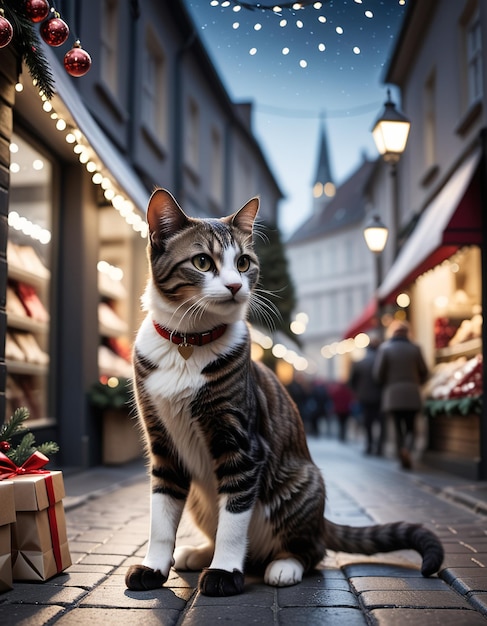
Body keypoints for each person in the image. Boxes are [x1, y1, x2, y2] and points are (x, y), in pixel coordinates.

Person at [373, 320, 428, 470]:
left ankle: (401, 453)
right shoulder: (415, 348)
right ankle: (408, 450)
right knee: (411, 427)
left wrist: (389, 383)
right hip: (412, 393)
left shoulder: (385, 349)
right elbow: (424, 371)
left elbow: (378, 374)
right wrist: (416, 382)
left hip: (393, 394)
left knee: (397, 428)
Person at [349, 335, 384, 456]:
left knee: (367, 422)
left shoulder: (360, 363)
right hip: (380, 397)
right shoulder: (381, 361)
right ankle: (379, 447)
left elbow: (352, 381)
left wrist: (358, 392)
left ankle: (369, 445)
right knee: (381, 422)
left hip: (365, 397)